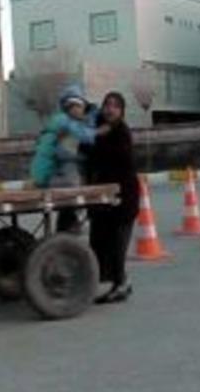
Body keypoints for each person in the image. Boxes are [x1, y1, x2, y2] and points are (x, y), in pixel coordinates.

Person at [86, 91, 140, 304]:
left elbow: (119, 161)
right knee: (99, 241)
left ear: (122, 111)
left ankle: (121, 284)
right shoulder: (97, 128)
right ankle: (116, 281)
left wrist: (100, 135)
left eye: (116, 106)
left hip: (123, 198)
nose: (110, 109)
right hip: (103, 199)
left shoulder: (121, 133)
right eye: (107, 104)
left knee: (117, 244)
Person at [31, 84, 107, 232]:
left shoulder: (65, 121)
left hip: (48, 170)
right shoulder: (64, 122)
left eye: (79, 106)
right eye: (72, 106)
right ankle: (69, 225)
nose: (76, 110)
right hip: (49, 173)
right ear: (67, 108)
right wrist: (98, 132)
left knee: (74, 183)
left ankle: (69, 224)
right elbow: (68, 150)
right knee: (73, 182)